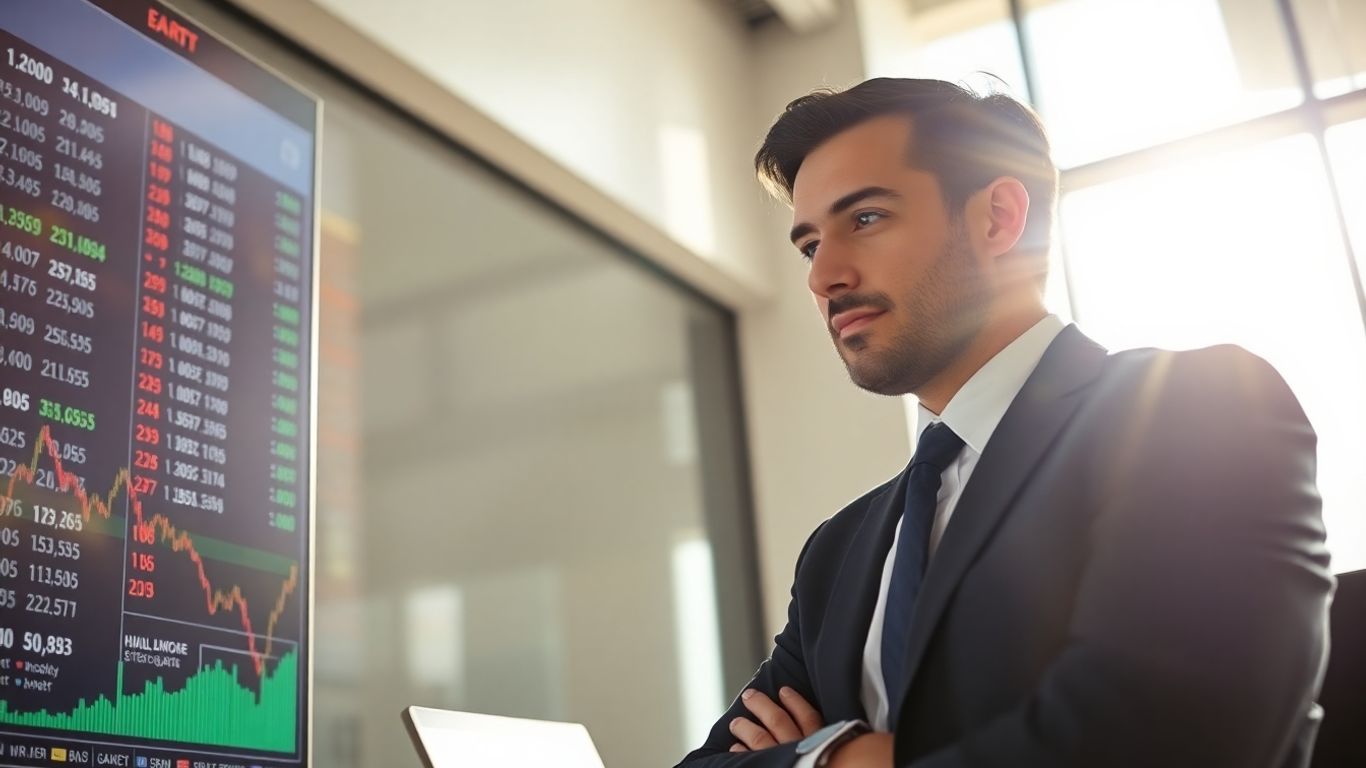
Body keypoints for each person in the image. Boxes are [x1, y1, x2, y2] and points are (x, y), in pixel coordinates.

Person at [674, 78, 1334, 768]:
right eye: (810, 245)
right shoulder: (838, 553)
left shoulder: (1194, 408)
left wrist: (835, 759)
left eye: (865, 219)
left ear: (998, 219)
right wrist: (838, 759)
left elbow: (1162, 735)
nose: (824, 277)